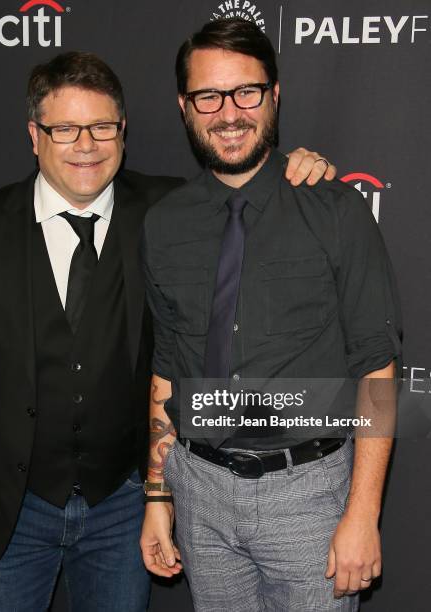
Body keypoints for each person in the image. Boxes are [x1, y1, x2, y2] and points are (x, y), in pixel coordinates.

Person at [0, 50, 335, 611]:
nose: (86, 145)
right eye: (65, 129)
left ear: (123, 131)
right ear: (34, 135)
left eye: (102, 127)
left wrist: (300, 167)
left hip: (125, 503)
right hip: (9, 504)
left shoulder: (169, 211)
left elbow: (247, 185)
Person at [140, 18, 402, 612]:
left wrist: (363, 514)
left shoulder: (335, 211)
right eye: (208, 95)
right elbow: (165, 369)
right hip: (198, 490)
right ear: (185, 106)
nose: (228, 113)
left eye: (246, 92)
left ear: (275, 95)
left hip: (308, 495)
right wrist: (158, 497)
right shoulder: (163, 224)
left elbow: (377, 372)